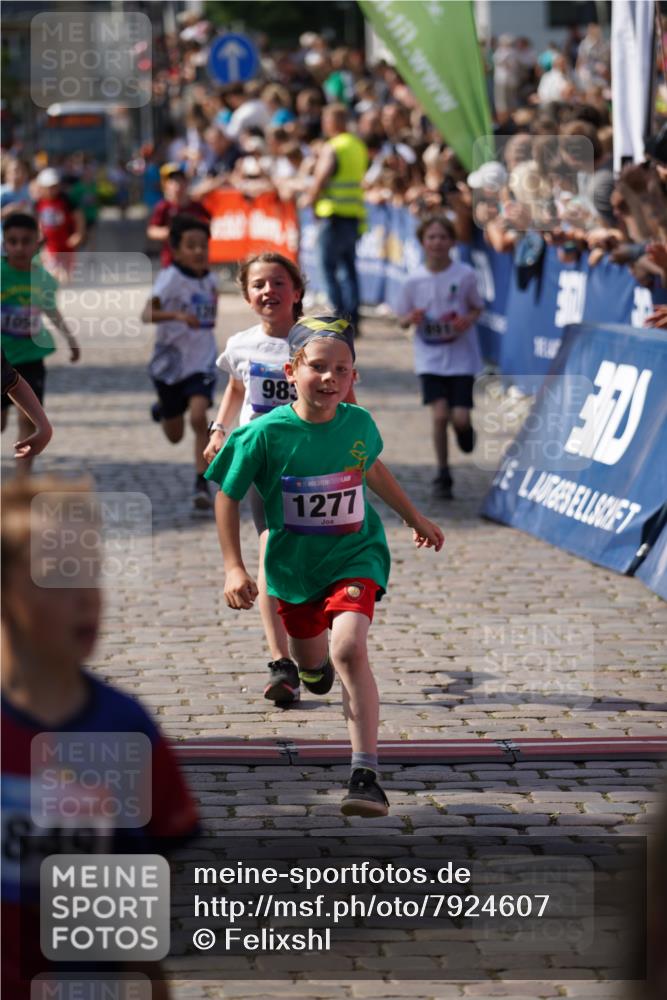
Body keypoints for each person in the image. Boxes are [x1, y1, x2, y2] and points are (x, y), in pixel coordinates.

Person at [205, 316, 444, 817]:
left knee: (349, 648)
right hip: (294, 570)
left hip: (356, 554)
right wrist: (234, 567)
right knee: (314, 663)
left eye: (342, 369)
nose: (330, 378)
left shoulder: (359, 423)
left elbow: (371, 467)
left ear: (353, 377)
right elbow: (226, 497)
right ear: (292, 371)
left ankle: (365, 774)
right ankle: (311, 673)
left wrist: (413, 515)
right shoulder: (262, 434)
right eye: (318, 367)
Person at [1, 476, 200, 996]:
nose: (86, 598)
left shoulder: (123, 729)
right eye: (59, 578)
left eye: (91, 576)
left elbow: (131, 919)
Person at [204, 253, 358, 706]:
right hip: (265, 462)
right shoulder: (241, 344)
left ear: (297, 291)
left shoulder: (316, 340)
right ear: (247, 295)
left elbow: (346, 393)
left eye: (277, 282)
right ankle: (281, 662)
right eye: (258, 284)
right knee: (272, 549)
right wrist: (219, 429)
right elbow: (237, 387)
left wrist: (355, 449)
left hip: (314, 464)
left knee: (312, 554)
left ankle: (311, 644)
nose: (268, 291)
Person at [397, 214, 484, 500]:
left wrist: (467, 320)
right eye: (431, 237)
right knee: (439, 414)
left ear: (452, 241)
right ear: (422, 242)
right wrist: (412, 317)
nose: (437, 242)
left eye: (443, 237)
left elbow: (476, 307)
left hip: (461, 356)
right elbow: (402, 319)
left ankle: (465, 431)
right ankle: (443, 472)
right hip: (429, 357)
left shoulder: (465, 275)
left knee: (458, 416)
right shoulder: (413, 280)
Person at [141, 214, 219, 511]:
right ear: (176, 250)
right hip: (169, 365)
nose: (199, 251)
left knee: (199, 416)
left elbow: (208, 319)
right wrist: (176, 316)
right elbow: (146, 314)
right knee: (174, 436)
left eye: (203, 245)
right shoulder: (170, 278)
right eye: (191, 246)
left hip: (201, 361)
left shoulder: (211, 279)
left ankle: (201, 482)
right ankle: (163, 409)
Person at [1, 213, 79, 477]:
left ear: (38, 242)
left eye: (26, 241)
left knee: (28, 418)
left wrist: (70, 339)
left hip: (31, 357)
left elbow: (51, 310)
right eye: (12, 241)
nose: (20, 248)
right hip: (4, 356)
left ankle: (22, 479)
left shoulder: (44, 278)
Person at [301, 103, 368, 332]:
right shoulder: (357, 145)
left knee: (327, 266)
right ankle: (354, 318)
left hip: (333, 214)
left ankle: (339, 318)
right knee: (349, 268)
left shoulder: (333, 147)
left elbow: (321, 176)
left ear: (333, 122)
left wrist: (310, 198)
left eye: (325, 120)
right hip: (354, 215)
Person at [147, 164, 210, 269]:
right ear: (167, 185)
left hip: (196, 262)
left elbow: (208, 224)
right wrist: (171, 232)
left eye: (180, 180)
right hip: (172, 261)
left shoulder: (196, 206)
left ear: (186, 183)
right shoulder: (164, 207)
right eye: (173, 182)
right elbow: (152, 230)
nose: (177, 185)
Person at [1, 347, 53, 461]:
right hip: (11, 352)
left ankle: (22, 477)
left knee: (27, 423)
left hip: (29, 356)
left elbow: (13, 382)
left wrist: (44, 428)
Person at [33, 166, 85, 280]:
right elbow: (37, 219)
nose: (51, 191)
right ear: (41, 188)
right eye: (47, 188)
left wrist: (79, 234)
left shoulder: (66, 200)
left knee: (67, 275)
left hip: (66, 242)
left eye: (54, 187)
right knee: (54, 272)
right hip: (50, 244)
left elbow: (78, 217)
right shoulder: (39, 202)